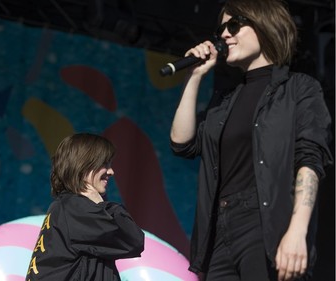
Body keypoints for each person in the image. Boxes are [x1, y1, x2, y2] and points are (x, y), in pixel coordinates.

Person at [169, 0, 333, 280]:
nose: (224, 35)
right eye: (221, 28)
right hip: (218, 231)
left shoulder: (299, 89)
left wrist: (297, 231)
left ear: (265, 25)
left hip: (265, 224)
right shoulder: (224, 101)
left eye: (234, 25)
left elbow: (309, 159)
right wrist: (193, 77)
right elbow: (182, 143)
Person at [26, 133, 144, 281]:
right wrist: (101, 205)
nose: (111, 171)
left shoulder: (65, 206)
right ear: (83, 165)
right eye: (105, 164)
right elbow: (132, 241)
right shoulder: (76, 208)